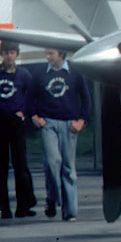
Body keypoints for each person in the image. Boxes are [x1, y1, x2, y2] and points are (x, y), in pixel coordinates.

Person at [30, 48, 91, 222]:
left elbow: (86, 98)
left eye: (51, 54)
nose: (47, 57)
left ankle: (70, 211)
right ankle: (52, 197)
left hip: (69, 123)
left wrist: (82, 120)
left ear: (61, 55)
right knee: (52, 162)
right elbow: (30, 98)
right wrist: (34, 116)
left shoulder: (74, 73)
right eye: (46, 53)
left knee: (68, 168)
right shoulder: (40, 73)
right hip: (48, 123)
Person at [0, 41, 37, 219]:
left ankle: (24, 205)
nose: (9, 56)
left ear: (17, 54)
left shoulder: (24, 75)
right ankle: (3, 208)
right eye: (6, 52)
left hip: (17, 122)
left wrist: (24, 113)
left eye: (12, 52)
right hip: (0, 122)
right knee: (1, 167)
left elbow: (31, 96)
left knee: (21, 165)